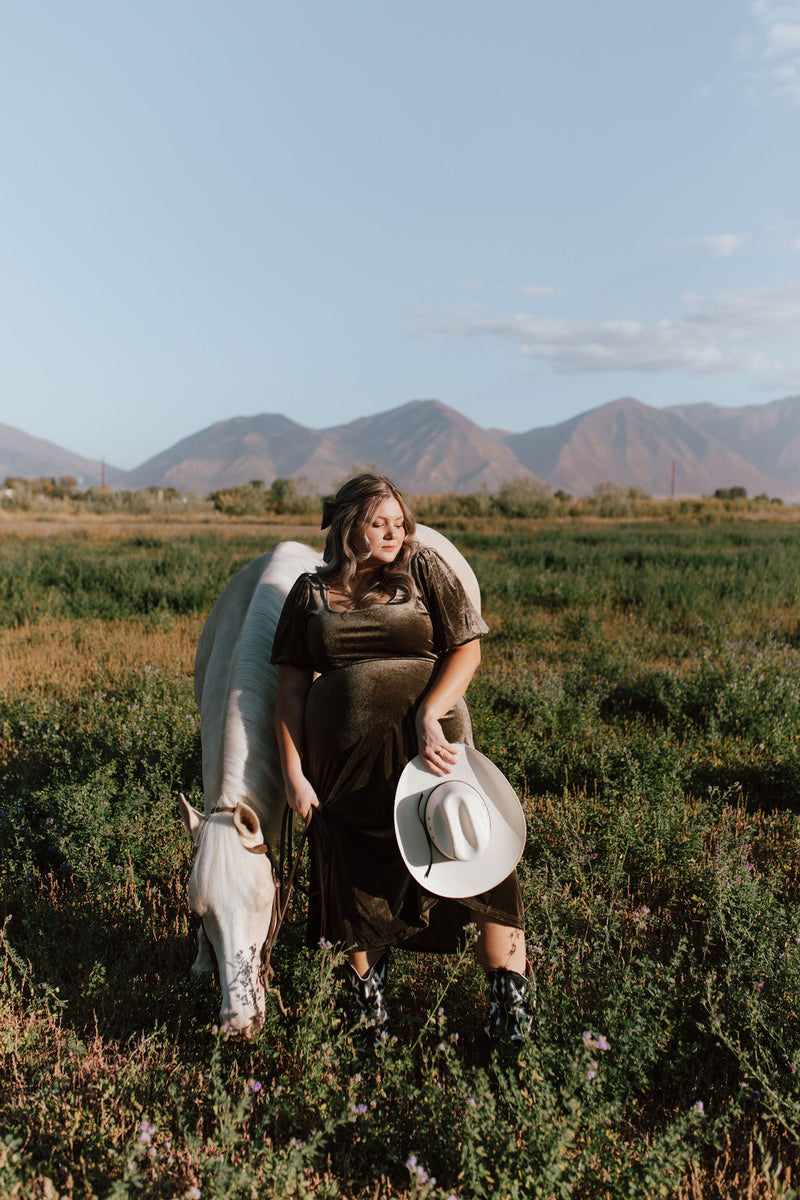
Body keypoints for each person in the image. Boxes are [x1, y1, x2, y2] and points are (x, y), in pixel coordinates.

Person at [272, 473, 533, 1042]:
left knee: (479, 864)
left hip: (432, 751)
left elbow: (466, 648)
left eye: (399, 521)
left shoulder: (422, 571)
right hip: (343, 767)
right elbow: (290, 689)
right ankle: (369, 1018)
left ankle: (510, 1017)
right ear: (349, 527)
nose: (394, 532)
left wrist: (429, 712)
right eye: (378, 522)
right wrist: (292, 771)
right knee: (357, 877)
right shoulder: (309, 593)